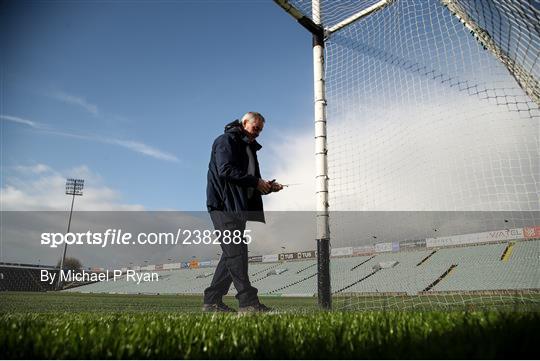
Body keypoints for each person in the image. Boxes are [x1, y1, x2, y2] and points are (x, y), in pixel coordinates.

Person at [203, 111, 283, 313]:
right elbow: (225, 170)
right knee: (237, 254)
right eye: (256, 128)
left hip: (238, 208)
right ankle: (248, 303)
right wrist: (257, 182)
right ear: (244, 122)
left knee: (232, 255)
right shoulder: (225, 141)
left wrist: (266, 187)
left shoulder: (249, 148)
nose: (258, 133)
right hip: (224, 206)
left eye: (261, 130)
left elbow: (247, 183)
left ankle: (212, 301)